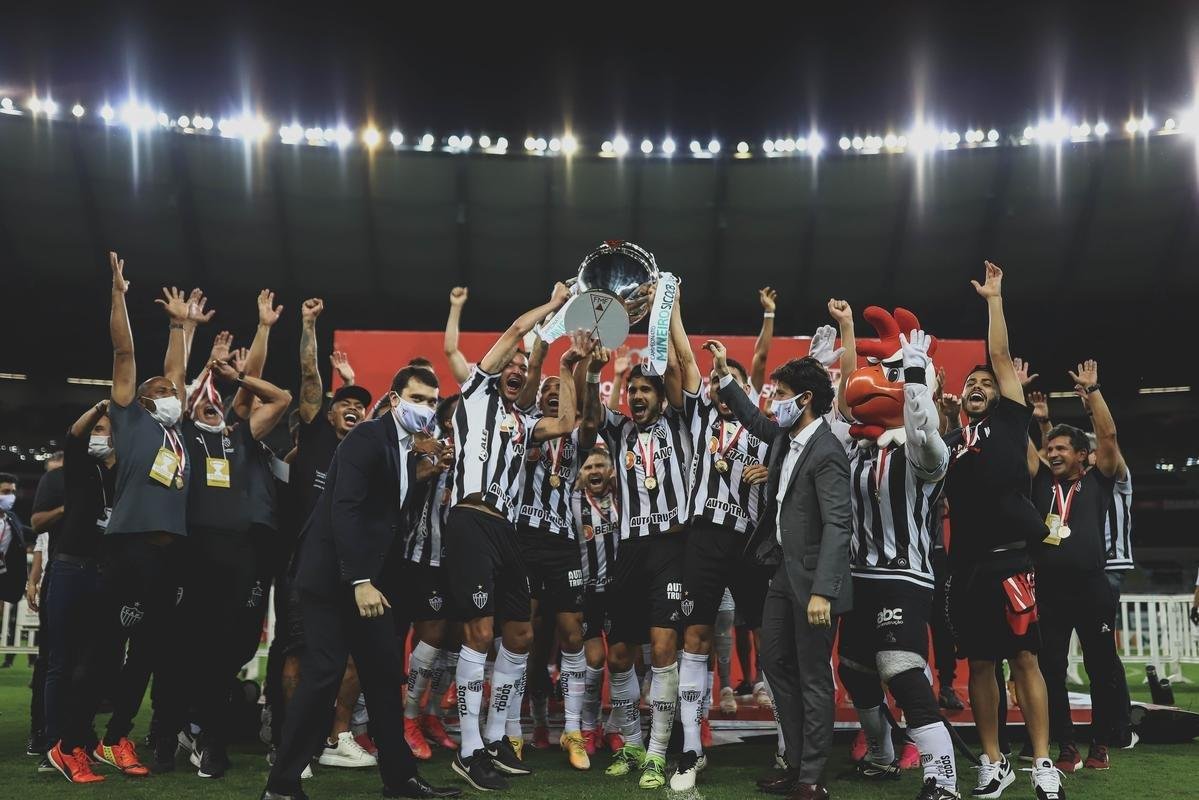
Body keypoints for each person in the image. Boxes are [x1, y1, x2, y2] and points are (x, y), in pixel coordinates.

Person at [261, 366, 459, 800]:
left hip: (366, 582)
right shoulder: (367, 438)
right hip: (334, 580)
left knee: (384, 677)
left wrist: (423, 477)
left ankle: (399, 780)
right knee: (324, 675)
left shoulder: (405, 449)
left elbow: (387, 513)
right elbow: (344, 510)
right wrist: (362, 580)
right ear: (393, 399)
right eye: (418, 398)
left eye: (431, 401)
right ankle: (281, 787)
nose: (425, 408)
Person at [440, 281, 579, 792]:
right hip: (470, 521)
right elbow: (520, 328)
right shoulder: (475, 392)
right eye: (512, 363)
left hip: (507, 533)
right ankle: (470, 749)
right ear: (498, 369)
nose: (518, 367)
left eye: (524, 364)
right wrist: (557, 305)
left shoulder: (523, 424)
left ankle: (497, 738)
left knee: (518, 636)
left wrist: (566, 369)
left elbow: (567, 421)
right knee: (478, 633)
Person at [825, 299, 960, 800]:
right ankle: (882, 756)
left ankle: (942, 779)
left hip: (904, 575)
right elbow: (842, 408)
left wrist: (916, 374)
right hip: (860, 576)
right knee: (855, 671)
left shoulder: (925, 451)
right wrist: (843, 342)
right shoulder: (860, 449)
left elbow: (925, 428)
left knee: (898, 668)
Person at [710, 343, 852, 800]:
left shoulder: (827, 450)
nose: (775, 402)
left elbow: (838, 524)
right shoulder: (785, 440)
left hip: (813, 584)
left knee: (813, 676)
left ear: (805, 398)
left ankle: (812, 775)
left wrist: (823, 592)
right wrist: (725, 379)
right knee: (773, 663)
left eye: (782, 393)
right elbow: (754, 419)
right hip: (781, 575)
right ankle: (794, 761)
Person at [942, 261, 1060, 800]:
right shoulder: (958, 442)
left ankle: (1041, 763)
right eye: (971, 383)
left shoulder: (1011, 418)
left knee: (1026, 658)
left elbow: (997, 355)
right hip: (966, 565)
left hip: (1012, 558)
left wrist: (994, 300)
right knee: (981, 665)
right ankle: (993, 761)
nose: (978, 385)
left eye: (986, 382)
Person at [581, 289, 697, 791]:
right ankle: (629, 742)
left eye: (647, 390)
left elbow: (676, 367)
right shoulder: (619, 430)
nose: (640, 397)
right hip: (627, 553)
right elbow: (588, 414)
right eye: (634, 391)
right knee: (621, 654)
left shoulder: (682, 421)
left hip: (670, 550)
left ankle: (655, 753)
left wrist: (666, 306)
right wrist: (591, 370)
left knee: (664, 647)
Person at [265, 297, 376, 774]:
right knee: (298, 658)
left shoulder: (368, 458)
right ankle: (294, 744)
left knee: (353, 657)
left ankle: (337, 736)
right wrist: (309, 326)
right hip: (303, 567)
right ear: (327, 416)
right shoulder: (314, 439)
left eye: (359, 407)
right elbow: (311, 381)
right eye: (345, 405)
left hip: (352, 572)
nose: (352, 410)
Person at [175, 349, 291, 778]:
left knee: (231, 650)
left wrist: (240, 376)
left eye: (216, 400)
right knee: (197, 649)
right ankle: (200, 736)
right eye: (203, 399)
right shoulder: (182, 435)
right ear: (190, 408)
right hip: (196, 550)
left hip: (243, 553)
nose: (212, 403)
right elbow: (172, 387)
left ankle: (207, 734)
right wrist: (201, 364)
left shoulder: (238, 436)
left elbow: (280, 400)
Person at [669, 334, 771, 791]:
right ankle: (692, 748)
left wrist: (769, 475)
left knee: (770, 634)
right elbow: (686, 358)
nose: (719, 387)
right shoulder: (699, 418)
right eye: (715, 381)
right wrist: (672, 302)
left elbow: (788, 481)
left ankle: (789, 746)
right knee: (695, 635)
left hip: (751, 543)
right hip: (705, 538)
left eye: (729, 382)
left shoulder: (766, 432)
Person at [1031, 361, 1131, 772]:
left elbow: (1108, 435)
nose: (1053, 453)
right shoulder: (1040, 484)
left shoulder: (1097, 480)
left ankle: (1101, 744)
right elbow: (1029, 449)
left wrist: (1093, 393)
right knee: (1052, 669)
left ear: (1082, 456)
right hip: (1050, 591)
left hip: (1092, 588)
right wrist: (1036, 420)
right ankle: (1066, 748)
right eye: (1050, 449)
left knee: (1101, 669)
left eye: (1061, 449)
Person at [512, 355, 596, 771]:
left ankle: (573, 729)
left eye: (557, 391)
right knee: (520, 634)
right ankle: (511, 732)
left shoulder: (578, 437)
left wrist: (585, 371)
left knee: (572, 634)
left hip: (563, 544)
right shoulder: (522, 431)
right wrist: (541, 365)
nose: (550, 394)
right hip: (523, 541)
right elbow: (527, 393)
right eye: (545, 391)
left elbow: (589, 416)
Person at [402, 395, 461, 760]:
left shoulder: (479, 444)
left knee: (455, 637)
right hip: (425, 554)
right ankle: (409, 717)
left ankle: (434, 713)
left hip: (464, 558)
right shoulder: (426, 442)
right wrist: (435, 464)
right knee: (433, 633)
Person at [571, 447, 622, 755]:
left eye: (600, 465)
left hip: (618, 593)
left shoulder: (623, 498)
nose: (594, 471)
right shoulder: (572, 501)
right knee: (594, 661)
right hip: (587, 593)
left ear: (611, 470)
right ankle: (589, 727)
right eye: (588, 466)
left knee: (620, 662)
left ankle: (615, 727)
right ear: (581, 473)